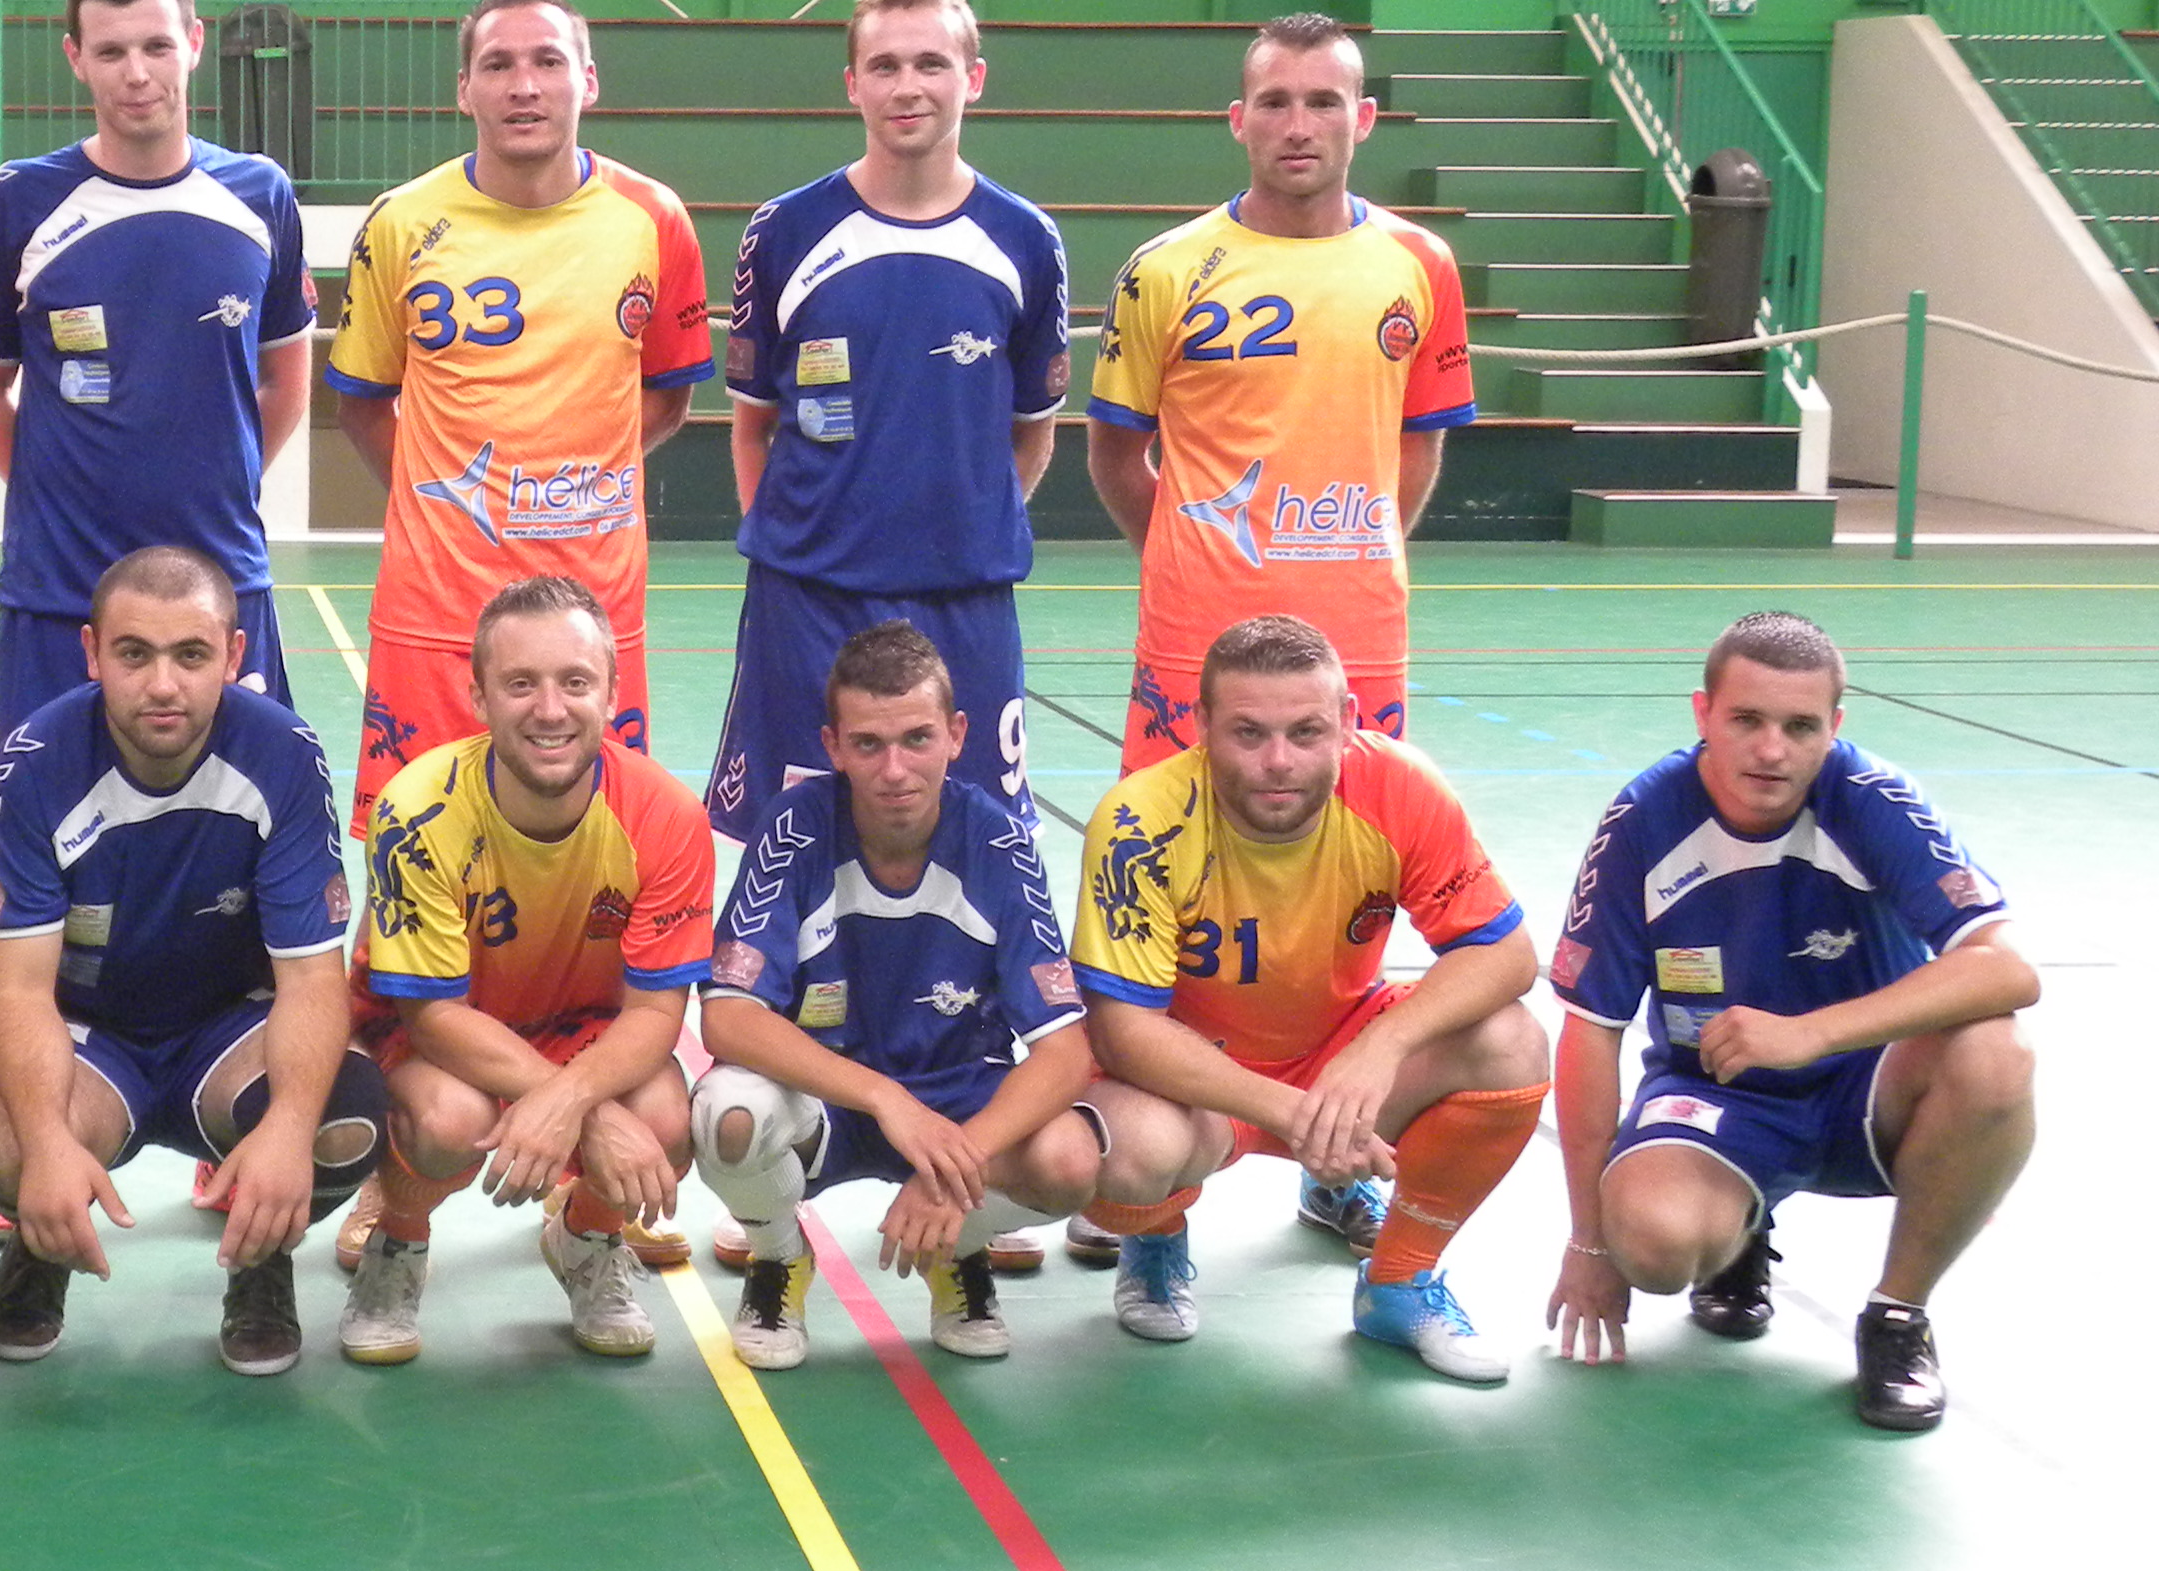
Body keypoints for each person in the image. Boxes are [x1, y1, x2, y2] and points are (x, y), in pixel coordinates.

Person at [1543, 612, 2037, 1431]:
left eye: (1800, 726)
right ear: (1703, 713)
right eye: (1747, 720)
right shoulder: (1643, 822)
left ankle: (1898, 1315)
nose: (1772, 750)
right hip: (1721, 1092)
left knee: (1997, 1053)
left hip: (1870, 1087)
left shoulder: (1873, 800)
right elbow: (1590, 1029)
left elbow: (2008, 968)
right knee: (1653, 1246)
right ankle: (1738, 1230)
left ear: (1833, 727)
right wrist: (1588, 1242)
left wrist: (1813, 1032)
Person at [1068, 612, 1547, 1384]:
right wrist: (1296, 1114)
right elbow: (1123, 1031)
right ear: (1201, 725)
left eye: (1307, 732)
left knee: (1511, 1043)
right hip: (1195, 1080)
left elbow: (1506, 954)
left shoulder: (1399, 787)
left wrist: (1379, 1049)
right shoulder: (1140, 822)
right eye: (1248, 733)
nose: (1278, 762)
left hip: (1337, 1049)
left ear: (1348, 722)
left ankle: (1398, 1283)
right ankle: (1154, 1236)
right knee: (1119, 1151)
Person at [0, 546, 388, 1375]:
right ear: (92, 653)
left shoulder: (282, 753)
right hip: (88, 1036)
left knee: (343, 1122)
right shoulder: (36, 763)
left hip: (229, 1033)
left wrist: (287, 1131)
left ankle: (261, 1263)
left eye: (191, 655)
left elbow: (311, 979)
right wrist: (48, 1144)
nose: (163, 685)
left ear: (233, 655)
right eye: (135, 654)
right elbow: (16, 992)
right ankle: (39, 1248)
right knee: (11, 1144)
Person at [326, 0, 713, 836]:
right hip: (437, 616)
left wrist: (568, 489)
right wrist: (449, 507)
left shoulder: (653, 219)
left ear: (588, 80)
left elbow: (667, 397)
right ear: (465, 89)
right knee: (419, 853)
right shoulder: (400, 223)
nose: (524, 86)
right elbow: (361, 405)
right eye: (498, 65)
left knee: (593, 860)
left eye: (548, 61)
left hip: (593, 616)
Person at [709, 0, 1067, 834]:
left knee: (974, 843)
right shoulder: (784, 231)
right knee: (796, 845)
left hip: (964, 607)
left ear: (973, 78)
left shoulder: (1026, 239)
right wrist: (797, 551)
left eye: (932, 64)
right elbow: (753, 427)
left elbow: (1032, 435)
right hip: (808, 604)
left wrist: (961, 528)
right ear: (852, 84)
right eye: (885, 66)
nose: (909, 87)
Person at [690, 620, 1102, 1370]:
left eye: (917, 739)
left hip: (957, 1099)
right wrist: (884, 1098)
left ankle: (958, 1247)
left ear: (957, 734)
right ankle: (778, 1257)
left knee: (1071, 1160)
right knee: (728, 1117)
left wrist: (957, 1166)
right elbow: (727, 1018)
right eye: (868, 744)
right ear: (833, 747)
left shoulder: (999, 844)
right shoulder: (793, 827)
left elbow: (1066, 1053)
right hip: (828, 1098)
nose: (894, 770)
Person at [337, 573, 716, 1367]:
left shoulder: (666, 817)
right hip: (443, 1036)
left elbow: (656, 1013)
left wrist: (575, 1100)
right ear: (479, 697)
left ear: (612, 693)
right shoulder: (418, 809)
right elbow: (431, 1017)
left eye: (575, 682)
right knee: (449, 1119)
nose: (550, 709)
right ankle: (398, 1241)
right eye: (520, 684)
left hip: (582, 1027)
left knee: (665, 1120)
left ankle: (586, 1237)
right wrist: (589, 1113)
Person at [1084, 13, 1473, 770]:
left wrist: (1351, 554)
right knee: (1176, 838)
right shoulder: (1161, 269)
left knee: (1351, 840)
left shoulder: (1422, 263)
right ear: (1239, 120)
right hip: (1195, 636)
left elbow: (1418, 444)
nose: (1299, 127)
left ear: (1363, 118)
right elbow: (1114, 455)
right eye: (1275, 102)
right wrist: (1185, 559)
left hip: (1357, 637)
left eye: (1324, 102)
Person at [0, 0, 315, 755]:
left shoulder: (261, 194)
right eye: (111, 51)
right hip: (59, 593)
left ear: (194, 43)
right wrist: (51, 489)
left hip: (220, 587)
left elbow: (287, 381)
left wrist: (221, 479)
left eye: (156, 46)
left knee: (236, 815)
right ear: (76, 58)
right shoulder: (20, 198)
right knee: (40, 817)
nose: (137, 73)